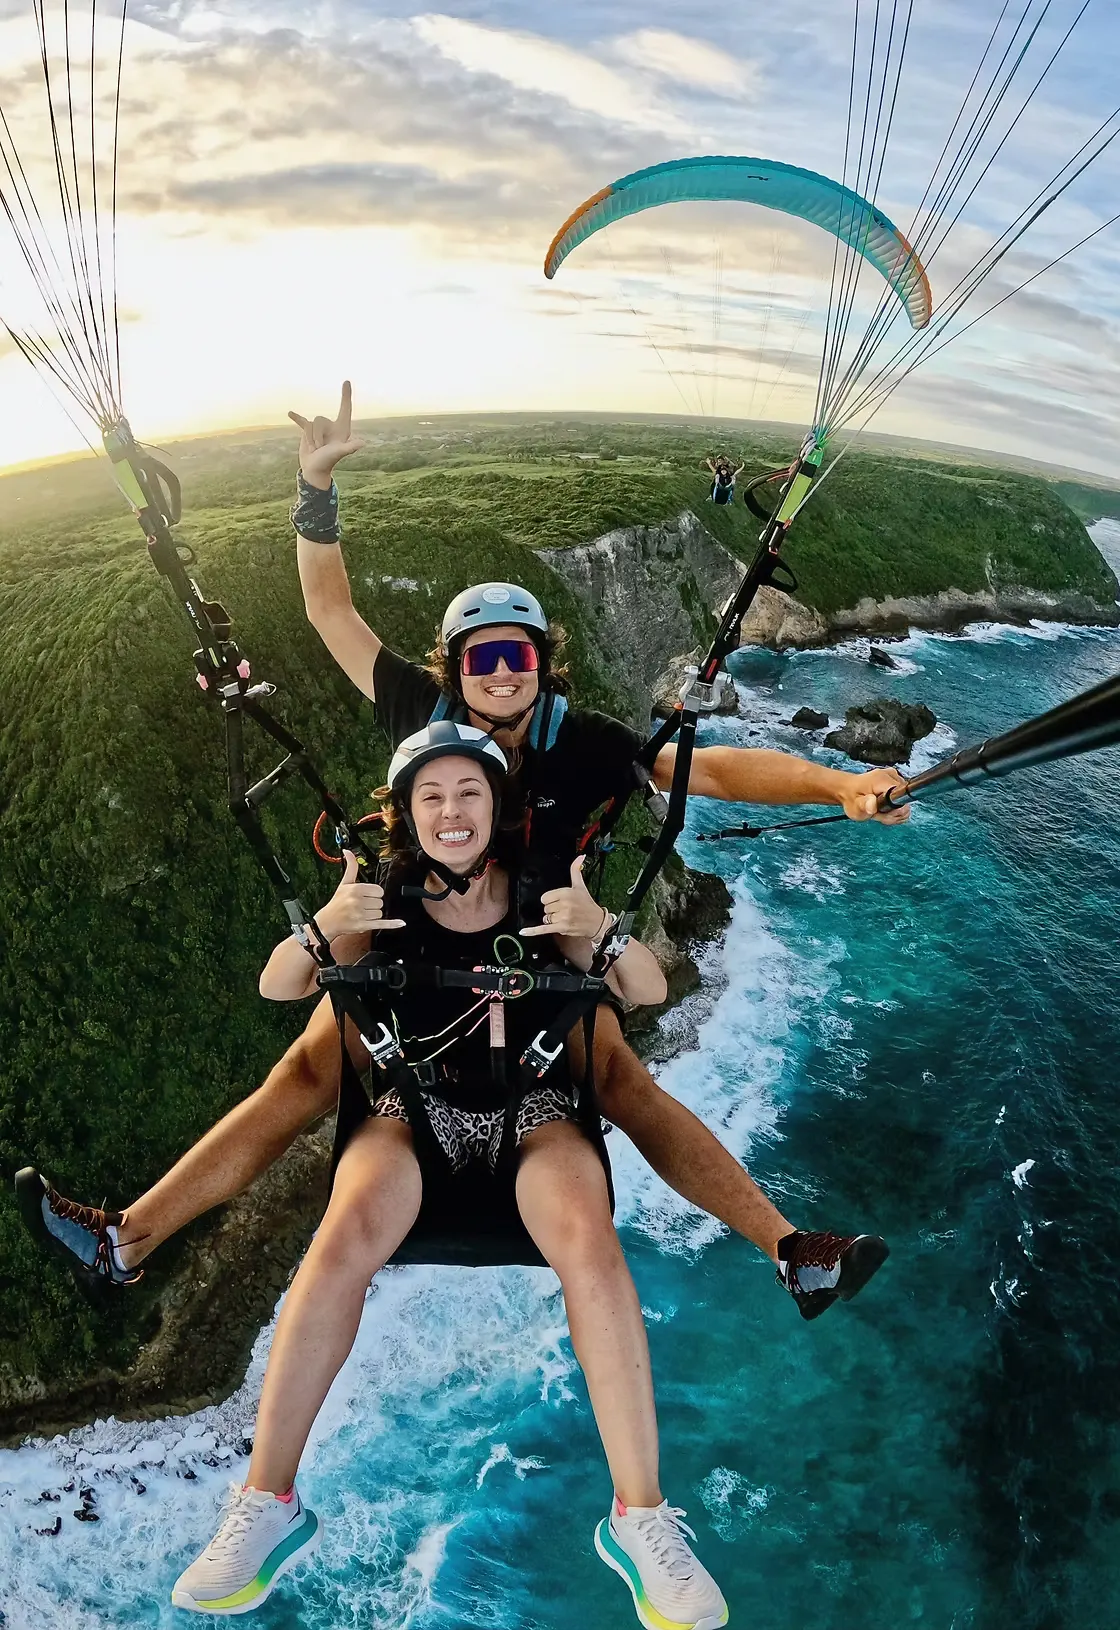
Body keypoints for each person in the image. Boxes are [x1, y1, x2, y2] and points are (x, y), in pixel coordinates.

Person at [17, 384, 901, 1318]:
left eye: (519, 654)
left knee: (620, 1081)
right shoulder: (422, 715)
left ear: (543, 666)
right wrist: (316, 494)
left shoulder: (588, 741)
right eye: (483, 658)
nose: (503, 670)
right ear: (455, 671)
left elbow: (709, 769)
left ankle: (791, 1248)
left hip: (544, 942)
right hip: (419, 930)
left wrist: (837, 784)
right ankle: (127, 1240)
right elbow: (330, 614)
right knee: (306, 1073)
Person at [170, 723, 730, 1630]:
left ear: (498, 809)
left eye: (469, 793)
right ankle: (266, 1504)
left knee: (589, 1240)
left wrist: (596, 931)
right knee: (345, 1231)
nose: (451, 812)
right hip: (411, 1114)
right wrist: (327, 929)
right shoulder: (379, 898)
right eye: (431, 797)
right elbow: (280, 987)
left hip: (534, 1111)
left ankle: (642, 1519)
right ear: (406, 817)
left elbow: (647, 992)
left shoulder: (547, 893)